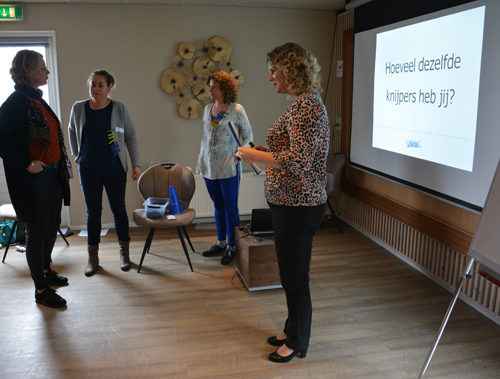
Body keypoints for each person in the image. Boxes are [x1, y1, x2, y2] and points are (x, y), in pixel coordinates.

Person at [238, 43, 329, 363]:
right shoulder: (298, 103)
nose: (270, 78)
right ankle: (291, 328)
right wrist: (264, 151)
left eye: (274, 71)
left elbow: (300, 162)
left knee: (294, 277)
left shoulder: (308, 106)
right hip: (288, 203)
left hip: (300, 206)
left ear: (292, 71)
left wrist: (254, 155)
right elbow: (290, 151)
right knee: (290, 273)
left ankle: (298, 341)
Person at [0, 50, 72, 308]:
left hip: (52, 173)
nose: (47, 72)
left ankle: (45, 271)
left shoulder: (36, 100)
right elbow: (3, 143)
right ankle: (41, 290)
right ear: (29, 71)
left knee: (52, 225)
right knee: (37, 230)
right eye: (43, 68)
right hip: (34, 179)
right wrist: (26, 164)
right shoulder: (16, 103)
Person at [68, 70, 141, 276]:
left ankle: (124, 254)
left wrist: (136, 164)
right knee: (93, 213)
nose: (96, 89)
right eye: (93, 85)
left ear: (109, 87)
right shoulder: (79, 108)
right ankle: (93, 258)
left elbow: (131, 136)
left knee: (119, 210)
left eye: (101, 85)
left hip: (114, 168)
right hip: (88, 168)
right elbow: (71, 129)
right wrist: (76, 153)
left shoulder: (119, 108)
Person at [196, 71, 253, 265]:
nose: (210, 90)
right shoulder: (207, 109)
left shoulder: (236, 109)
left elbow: (248, 137)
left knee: (230, 208)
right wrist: (201, 160)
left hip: (229, 167)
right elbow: (206, 138)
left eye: (215, 87)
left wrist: (239, 156)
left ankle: (232, 246)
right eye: (210, 86)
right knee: (218, 206)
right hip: (209, 166)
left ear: (225, 89)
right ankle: (221, 243)